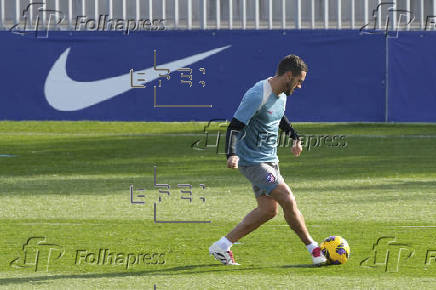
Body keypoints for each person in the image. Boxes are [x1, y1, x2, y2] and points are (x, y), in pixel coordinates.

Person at [209, 54, 327, 266]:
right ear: (289, 75)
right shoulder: (257, 94)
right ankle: (314, 248)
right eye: (299, 81)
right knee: (287, 196)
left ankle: (222, 246)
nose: (300, 86)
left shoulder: (282, 93)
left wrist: (294, 137)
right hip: (252, 161)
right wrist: (231, 154)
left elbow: (278, 116)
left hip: (270, 159)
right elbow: (234, 126)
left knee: (268, 211)